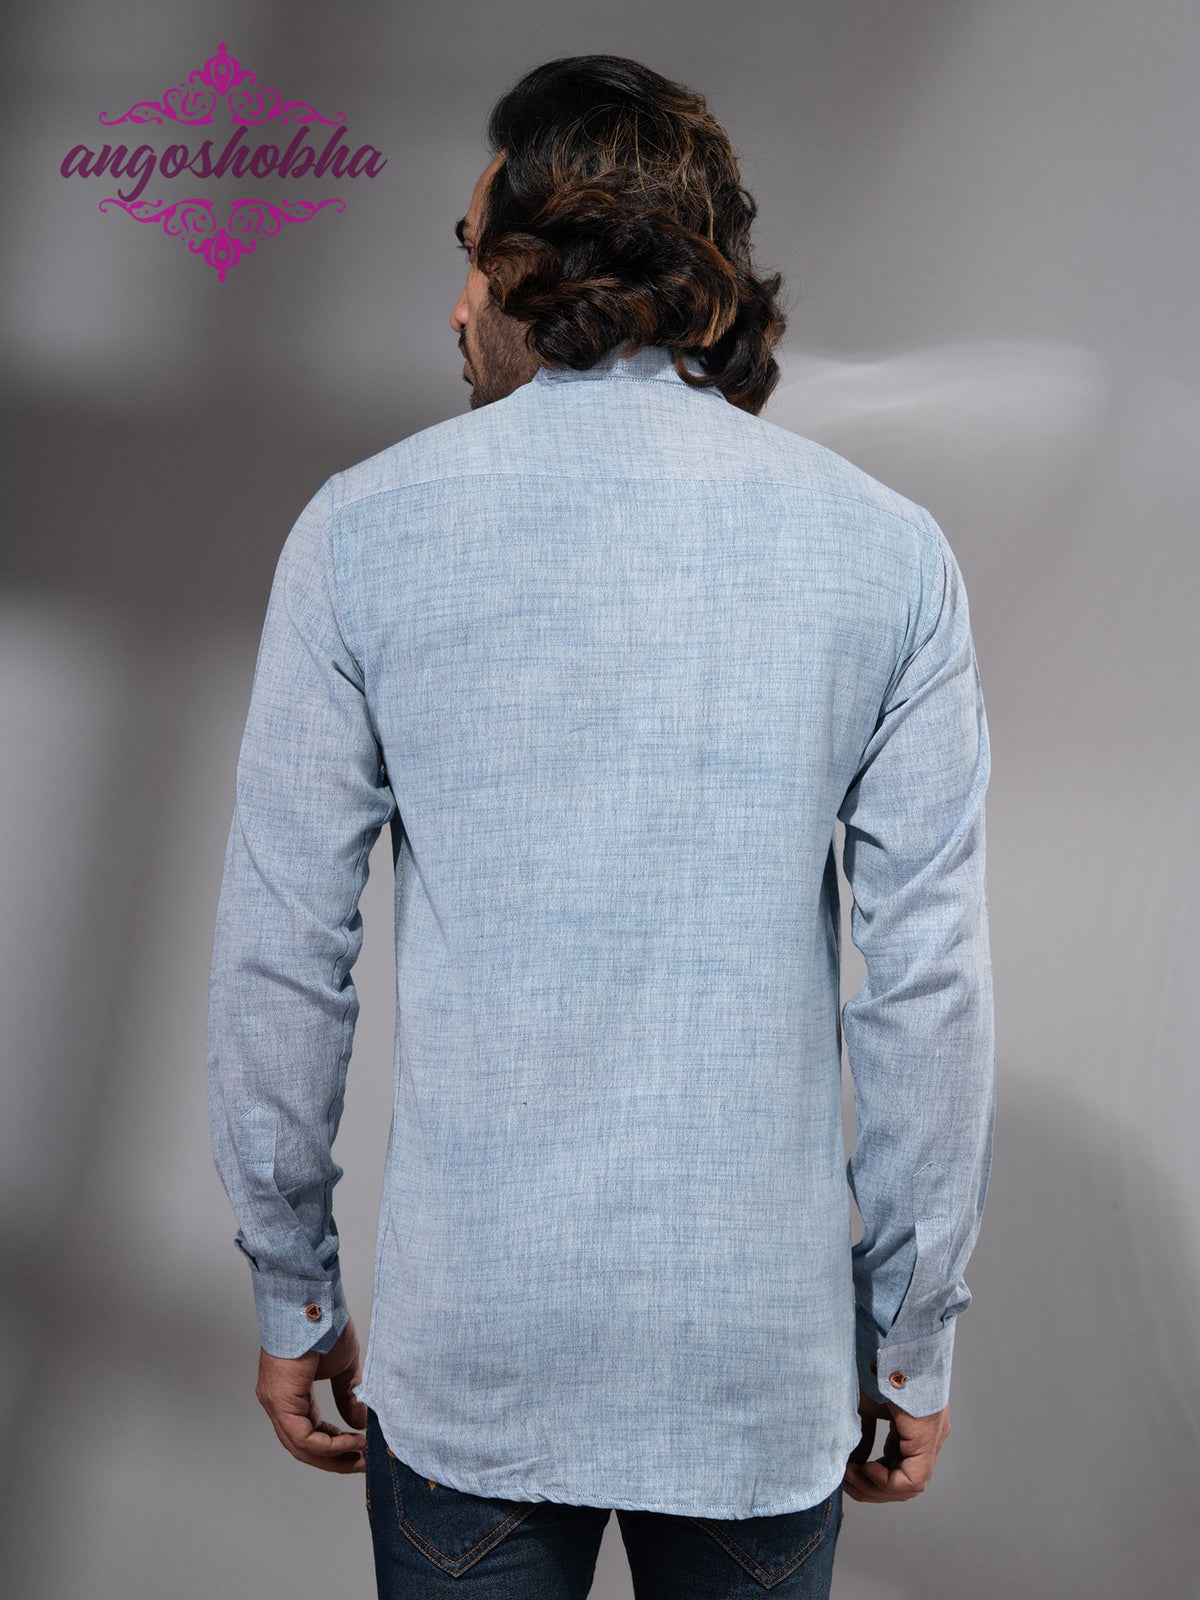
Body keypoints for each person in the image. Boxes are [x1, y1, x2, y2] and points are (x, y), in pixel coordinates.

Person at [206, 54, 995, 1600]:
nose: (453, 310)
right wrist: (913, 1335)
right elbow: (928, 991)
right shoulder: (889, 556)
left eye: (471, 258)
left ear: (545, 267)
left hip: (477, 1356)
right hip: (756, 1365)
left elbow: (281, 956)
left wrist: (293, 1293)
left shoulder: (360, 533)